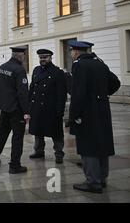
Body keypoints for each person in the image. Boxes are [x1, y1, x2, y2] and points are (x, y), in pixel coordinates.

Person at [68, 41, 120, 194]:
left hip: (87, 112)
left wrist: (73, 116)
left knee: (88, 147)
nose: (71, 54)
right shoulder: (100, 63)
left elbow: (78, 94)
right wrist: (102, 94)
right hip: (103, 110)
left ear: (76, 52)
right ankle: (102, 179)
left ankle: (93, 182)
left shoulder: (79, 65)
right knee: (102, 145)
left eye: (71, 51)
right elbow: (115, 83)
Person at [0, 47, 30, 174]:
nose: (24, 58)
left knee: (1, 133)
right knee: (17, 137)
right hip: (16, 109)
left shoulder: (1, 67)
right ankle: (15, 165)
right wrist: (26, 111)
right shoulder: (19, 70)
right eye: (24, 56)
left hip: (4, 107)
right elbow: (22, 93)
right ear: (20, 56)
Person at [28, 49, 67, 164]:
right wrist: (29, 105)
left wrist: (60, 110)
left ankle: (59, 153)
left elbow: (62, 93)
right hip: (37, 107)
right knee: (38, 131)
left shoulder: (57, 72)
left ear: (50, 58)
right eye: (41, 57)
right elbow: (32, 89)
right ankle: (39, 151)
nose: (43, 59)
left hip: (51, 108)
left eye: (45, 57)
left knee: (56, 133)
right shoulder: (36, 70)